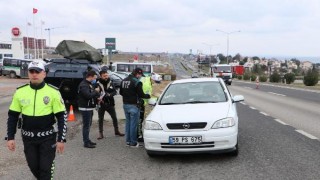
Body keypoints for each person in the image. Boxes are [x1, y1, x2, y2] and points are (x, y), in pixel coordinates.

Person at [6, 61, 67, 179]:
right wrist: (10, 137)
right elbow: (12, 116)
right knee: (33, 167)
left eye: (37, 71)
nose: (34, 74)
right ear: (28, 73)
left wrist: (61, 138)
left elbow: (61, 116)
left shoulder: (53, 92)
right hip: (28, 138)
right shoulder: (20, 91)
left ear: (44, 74)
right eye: (31, 71)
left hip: (48, 138)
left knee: (45, 169)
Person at [120, 68, 150, 147]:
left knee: (128, 123)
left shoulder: (124, 80)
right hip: (134, 105)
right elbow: (141, 95)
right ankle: (133, 142)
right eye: (140, 75)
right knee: (134, 125)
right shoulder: (137, 82)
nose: (140, 77)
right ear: (137, 74)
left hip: (125, 104)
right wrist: (148, 96)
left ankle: (128, 141)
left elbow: (121, 92)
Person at [96, 70, 124, 139]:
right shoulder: (97, 83)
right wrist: (99, 96)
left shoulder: (111, 82)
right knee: (100, 119)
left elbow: (115, 91)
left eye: (107, 75)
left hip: (110, 103)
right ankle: (100, 133)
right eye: (104, 76)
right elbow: (95, 92)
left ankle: (116, 131)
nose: (106, 77)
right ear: (101, 76)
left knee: (114, 118)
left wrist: (110, 95)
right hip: (101, 104)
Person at [78, 70, 100, 148]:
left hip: (89, 108)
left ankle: (87, 139)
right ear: (90, 76)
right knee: (86, 126)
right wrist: (96, 92)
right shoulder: (84, 85)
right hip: (85, 108)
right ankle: (86, 142)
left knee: (88, 125)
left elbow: (91, 94)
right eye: (94, 78)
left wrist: (97, 98)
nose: (95, 79)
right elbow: (87, 95)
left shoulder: (89, 84)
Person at [137, 75, 153, 142]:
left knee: (140, 120)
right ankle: (139, 136)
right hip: (140, 103)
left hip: (141, 103)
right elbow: (144, 94)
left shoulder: (148, 81)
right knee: (140, 120)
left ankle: (138, 135)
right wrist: (148, 97)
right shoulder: (146, 84)